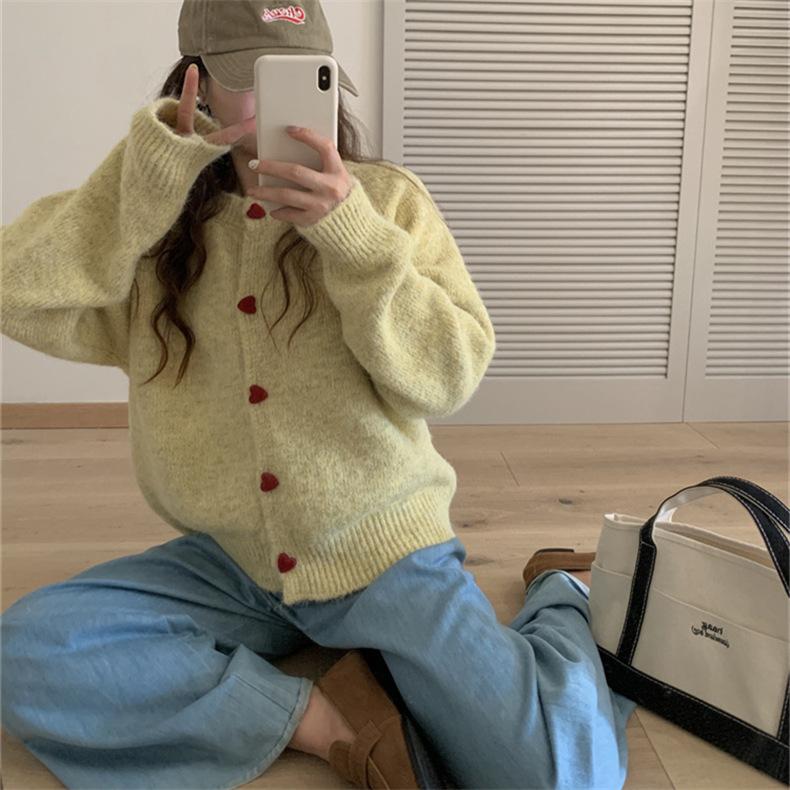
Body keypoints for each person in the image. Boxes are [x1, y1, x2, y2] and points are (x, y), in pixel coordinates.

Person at [0, 1, 638, 788]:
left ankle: (562, 593)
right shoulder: (157, 233)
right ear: (194, 84)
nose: (281, 103)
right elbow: (16, 291)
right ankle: (323, 720)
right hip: (233, 564)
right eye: (252, 77)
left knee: (565, 774)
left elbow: (450, 375)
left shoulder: (388, 203)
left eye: (306, 77)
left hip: (380, 553)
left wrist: (352, 240)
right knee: (24, 653)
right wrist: (140, 185)